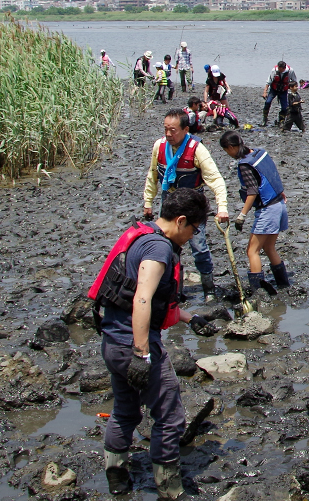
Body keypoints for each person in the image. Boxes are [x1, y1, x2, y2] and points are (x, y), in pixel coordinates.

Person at [94, 188, 213, 499]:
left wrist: (190, 318)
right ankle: (170, 488)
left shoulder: (142, 233)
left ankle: (117, 475)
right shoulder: (159, 249)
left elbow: (142, 295)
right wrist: (141, 353)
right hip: (133, 345)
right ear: (181, 220)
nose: (192, 236)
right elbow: (143, 298)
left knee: (125, 411)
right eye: (194, 229)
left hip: (111, 340)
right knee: (170, 415)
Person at [142, 110, 228, 304]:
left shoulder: (196, 149)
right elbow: (153, 175)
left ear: (185, 129)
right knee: (167, 248)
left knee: (199, 247)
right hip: (169, 203)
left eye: (173, 130)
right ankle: (174, 290)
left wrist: (222, 207)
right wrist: (148, 202)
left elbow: (215, 179)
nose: (168, 134)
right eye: (166, 130)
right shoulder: (160, 146)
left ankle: (209, 289)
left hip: (192, 205)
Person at [220, 131, 291, 295]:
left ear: (231, 147)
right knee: (269, 247)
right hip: (279, 204)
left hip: (268, 209)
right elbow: (271, 173)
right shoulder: (259, 152)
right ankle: (283, 285)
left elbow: (252, 192)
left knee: (252, 251)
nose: (228, 154)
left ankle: (257, 293)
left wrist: (241, 216)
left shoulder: (245, 165)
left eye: (227, 151)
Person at [262, 61, 296, 126]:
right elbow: (268, 82)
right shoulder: (274, 70)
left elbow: (294, 81)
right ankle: (264, 118)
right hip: (274, 89)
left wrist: (293, 91)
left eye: (281, 70)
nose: (280, 71)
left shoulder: (290, 71)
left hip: (283, 90)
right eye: (279, 69)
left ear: (284, 68)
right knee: (267, 102)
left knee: (285, 107)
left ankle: (281, 120)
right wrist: (265, 92)